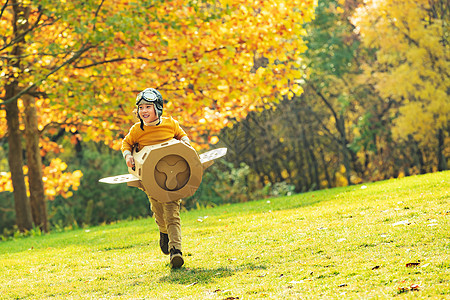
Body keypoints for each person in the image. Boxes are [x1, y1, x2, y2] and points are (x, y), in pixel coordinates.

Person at [121, 88, 191, 269]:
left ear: (157, 108)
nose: (143, 111)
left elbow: (182, 135)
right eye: (141, 108)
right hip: (150, 179)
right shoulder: (137, 130)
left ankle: (176, 251)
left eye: (148, 107)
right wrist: (128, 156)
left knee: (172, 214)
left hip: (173, 178)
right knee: (159, 213)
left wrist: (185, 144)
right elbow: (126, 144)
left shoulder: (170, 124)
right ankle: (163, 232)